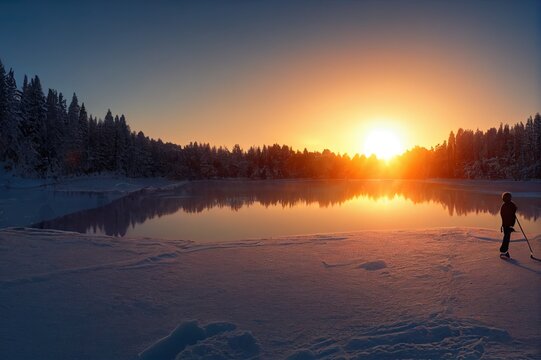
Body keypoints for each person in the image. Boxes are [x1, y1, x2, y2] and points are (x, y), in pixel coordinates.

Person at [499, 192, 517, 258]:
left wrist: (514, 209)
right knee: (506, 237)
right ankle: (503, 251)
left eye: (510, 197)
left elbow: (513, 210)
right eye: (508, 197)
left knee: (507, 237)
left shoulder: (509, 204)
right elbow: (505, 216)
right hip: (507, 225)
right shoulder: (505, 206)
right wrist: (509, 225)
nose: (510, 199)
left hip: (508, 225)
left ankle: (504, 251)